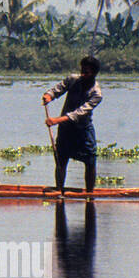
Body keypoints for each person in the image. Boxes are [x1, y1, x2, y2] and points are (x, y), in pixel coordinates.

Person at [42, 55, 102, 194]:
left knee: (90, 160)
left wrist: (56, 120)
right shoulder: (73, 79)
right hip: (66, 130)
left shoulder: (96, 94)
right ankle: (59, 189)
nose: (82, 74)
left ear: (93, 73)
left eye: (86, 72)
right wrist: (49, 96)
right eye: (82, 70)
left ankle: (89, 193)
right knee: (61, 158)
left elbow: (79, 113)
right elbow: (58, 89)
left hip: (83, 130)